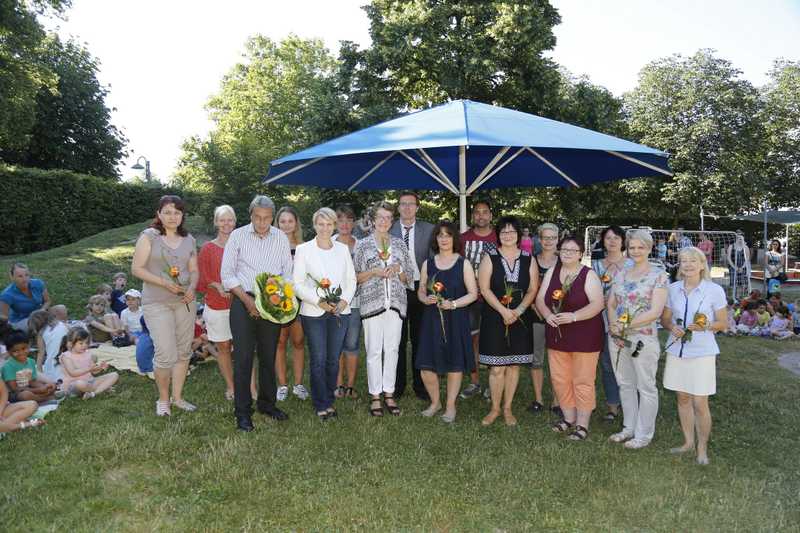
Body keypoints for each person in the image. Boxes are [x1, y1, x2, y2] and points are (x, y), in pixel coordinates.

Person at [221, 195, 293, 431]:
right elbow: (227, 274)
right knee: (242, 358)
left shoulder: (280, 237)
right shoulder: (238, 236)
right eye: (257, 218)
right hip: (244, 302)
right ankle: (243, 412)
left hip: (272, 304)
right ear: (251, 215)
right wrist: (249, 301)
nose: (262, 223)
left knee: (268, 356)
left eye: (266, 218)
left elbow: (287, 273)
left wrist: (277, 301)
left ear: (272, 217)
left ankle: (267, 404)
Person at [132, 195, 199, 417]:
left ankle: (177, 398)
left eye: (177, 212)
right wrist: (164, 283)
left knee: (183, 351)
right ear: (159, 214)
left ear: (182, 216)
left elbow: (194, 269)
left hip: (185, 302)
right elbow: (137, 269)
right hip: (157, 302)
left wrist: (192, 288)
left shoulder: (188, 239)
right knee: (165, 353)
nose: (172, 217)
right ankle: (163, 399)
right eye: (167, 212)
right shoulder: (149, 236)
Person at [661, 246, 728, 465]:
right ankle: (688, 442)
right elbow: (665, 319)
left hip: (702, 352)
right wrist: (672, 327)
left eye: (692, 261)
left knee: (700, 402)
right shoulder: (672, 289)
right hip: (677, 350)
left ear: (702, 264)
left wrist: (707, 325)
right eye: (683, 261)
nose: (688, 265)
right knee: (682, 398)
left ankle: (702, 448)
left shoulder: (714, 290)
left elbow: (723, 323)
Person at [536, 235, 605, 441]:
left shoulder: (588, 275)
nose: (567, 253)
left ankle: (582, 425)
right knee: (560, 378)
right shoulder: (552, 272)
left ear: (580, 254)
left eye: (572, 250)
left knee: (582, 380)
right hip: (557, 335)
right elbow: (540, 299)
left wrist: (574, 317)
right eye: (564, 249)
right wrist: (548, 315)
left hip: (585, 335)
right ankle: (568, 418)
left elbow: (597, 304)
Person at [606, 230, 669, 449]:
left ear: (649, 248)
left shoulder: (659, 275)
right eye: (632, 247)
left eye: (640, 247)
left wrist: (627, 326)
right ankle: (629, 428)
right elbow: (611, 303)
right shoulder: (621, 273)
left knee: (646, 386)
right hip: (618, 337)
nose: (635, 251)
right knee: (625, 383)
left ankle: (644, 434)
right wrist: (615, 325)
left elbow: (656, 311)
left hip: (643, 338)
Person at [293, 207, 357, 420]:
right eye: (321, 224)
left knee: (332, 358)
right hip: (314, 312)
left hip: (340, 311)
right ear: (314, 225)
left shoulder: (342, 249)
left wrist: (344, 300)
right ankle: (321, 403)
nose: (325, 228)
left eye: (329, 224)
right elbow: (298, 284)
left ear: (334, 226)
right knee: (319, 359)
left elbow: (351, 280)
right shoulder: (304, 250)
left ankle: (329, 398)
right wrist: (319, 300)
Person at [353, 201, 415, 417]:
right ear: (372, 219)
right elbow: (355, 277)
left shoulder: (399, 245)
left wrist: (398, 270)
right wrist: (374, 272)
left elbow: (409, 278)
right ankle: (375, 396)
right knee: (373, 350)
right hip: (372, 303)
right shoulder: (362, 245)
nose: (384, 222)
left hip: (396, 303)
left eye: (388, 218)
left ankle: (389, 393)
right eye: (380, 217)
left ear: (392, 220)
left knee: (393, 349)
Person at [477, 216, 538, 426]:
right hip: (495, 317)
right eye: (503, 232)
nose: (508, 235)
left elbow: (532, 289)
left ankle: (507, 408)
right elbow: (484, 288)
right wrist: (503, 311)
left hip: (520, 319)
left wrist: (519, 310)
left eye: (512, 232)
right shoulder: (490, 257)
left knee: (513, 365)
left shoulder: (529, 259)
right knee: (496, 367)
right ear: (498, 235)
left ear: (518, 235)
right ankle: (494, 408)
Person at [416, 221, 478, 423]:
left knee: (454, 363)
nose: (443, 238)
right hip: (432, 320)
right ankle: (435, 403)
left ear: (454, 239)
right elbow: (422, 290)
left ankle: (451, 405)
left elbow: (473, 294)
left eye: (448, 235)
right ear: (435, 239)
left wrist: (453, 304)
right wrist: (425, 298)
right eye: (440, 235)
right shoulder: (428, 263)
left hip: (455, 319)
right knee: (426, 365)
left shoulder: (463, 263)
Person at [390, 191, 435, 400]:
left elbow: (435, 261)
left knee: (420, 339)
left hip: (421, 288)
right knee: (397, 340)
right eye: (403, 204)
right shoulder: (388, 229)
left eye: (411, 204)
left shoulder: (429, 229)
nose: (407, 208)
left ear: (417, 207)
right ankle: (397, 387)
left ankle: (420, 386)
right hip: (396, 288)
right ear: (398, 208)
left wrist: (428, 288)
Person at [591, 225, 633, 423]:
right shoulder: (597, 265)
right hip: (603, 320)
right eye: (608, 238)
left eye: (617, 237)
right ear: (603, 241)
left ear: (623, 241)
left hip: (629, 322)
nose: (613, 241)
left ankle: (632, 404)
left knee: (630, 362)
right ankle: (612, 406)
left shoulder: (633, 264)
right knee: (608, 364)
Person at [197, 204, 238, 401]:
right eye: (222, 219)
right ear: (216, 222)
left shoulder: (241, 246)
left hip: (240, 305)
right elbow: (200, 279)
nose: (226, 223)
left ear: (235, 222)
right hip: (216, 305)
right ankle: (231, 386)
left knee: (243, 349)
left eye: (230, 219)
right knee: (223, 348)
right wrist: (216, 285)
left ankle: (250, 386)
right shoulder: (207, 248)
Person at [459, 199, 497, 400]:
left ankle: (493, 382)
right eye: (477, 212)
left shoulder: (500, 238)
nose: (481, 216)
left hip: (494, 298)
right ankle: (474, 381)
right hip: (470, 298)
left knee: (492, 339)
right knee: (472, 340)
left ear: (491, 215)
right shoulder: (463, 239)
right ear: (473, 216)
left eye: (485, 212)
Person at [274, 206, 308, 402]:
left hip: (299, 300)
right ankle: (282, 384)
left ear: (296, 223)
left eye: (290, 221)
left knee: (298, 342)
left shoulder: (304, 247)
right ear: (277, 223)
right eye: (282, 221)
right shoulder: (271, 245)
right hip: (278, 299)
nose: (286, 225)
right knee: (279, 342)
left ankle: (298, 384)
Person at [528, 223, 561, 416]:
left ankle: (557, 400)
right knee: (537, 358)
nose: (548, 241)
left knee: (557, 359)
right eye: (545, 237)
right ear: (539, 240)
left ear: (558, 240)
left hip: (558, 317)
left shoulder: (564, 261)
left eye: (552, 238)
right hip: (536, 316)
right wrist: (536, 307)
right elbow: (528, 287)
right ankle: (538, 398)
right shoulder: (532, 261)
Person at [332, 205, 361, 399]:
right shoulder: (328, 243)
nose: (345, 224)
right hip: (333, 303)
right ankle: (338, 384)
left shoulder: (361, 244)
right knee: (336, 344)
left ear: (354, 223)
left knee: (351, 343)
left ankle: (350, 385)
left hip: (356, 302)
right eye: (341, 220)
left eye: (349, 220)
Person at [59, 327, 119, 399]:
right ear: (71, 343)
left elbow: (93, 372)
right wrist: (89, 369)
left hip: (90, 382)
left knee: (114, 375)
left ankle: (93, 393)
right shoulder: (66, 356)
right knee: (80, 384)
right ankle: (103, 388)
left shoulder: (87, 353)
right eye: (81, 343)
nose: (84, 345)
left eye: (86, 343)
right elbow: (73, 373)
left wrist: (100, 368)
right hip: (74, 385)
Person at [1, 331, 57, 403]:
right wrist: (37, 390)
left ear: (29, 346)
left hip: (29, 388)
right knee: (25, 395)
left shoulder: (31, 361)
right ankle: (45, 399)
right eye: (15, 351)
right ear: (9, 352)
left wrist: (43, 387)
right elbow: (14, 388)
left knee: (50, 387)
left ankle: (41, 397)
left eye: (24, 349)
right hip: (14, 393)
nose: (21, 353)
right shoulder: (8, 366)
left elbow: (32, 381)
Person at [0, 263, 51, 332]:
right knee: (38, 322)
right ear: (12, 277)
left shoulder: (38, 283)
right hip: (20, 321)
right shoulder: (6, 294)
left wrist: (42, 310)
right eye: (20, 276)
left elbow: (47, 301)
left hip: (40, 314)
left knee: (60, 309)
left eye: (27, 275)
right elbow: (3, 317)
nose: (25, 279)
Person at [27, 306, 68, 381]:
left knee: (35, 369)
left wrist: (39, 370)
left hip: (54, 364)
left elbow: (41, 353)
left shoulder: (41, 333)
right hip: (68, 359)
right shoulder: (62, 324)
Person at [726, 233, 751, 300]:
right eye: (739, 238)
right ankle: (733, 297)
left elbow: (747, 258)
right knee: (733, 283)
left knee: (742, 282)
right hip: (733, 267)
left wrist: (742, 267)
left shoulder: (745, 247)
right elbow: (728, 258)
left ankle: (740, 297)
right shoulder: (731, 246)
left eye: (742, 238)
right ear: (736, 239)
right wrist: (735, 267)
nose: (740, 240)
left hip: (743, 267)